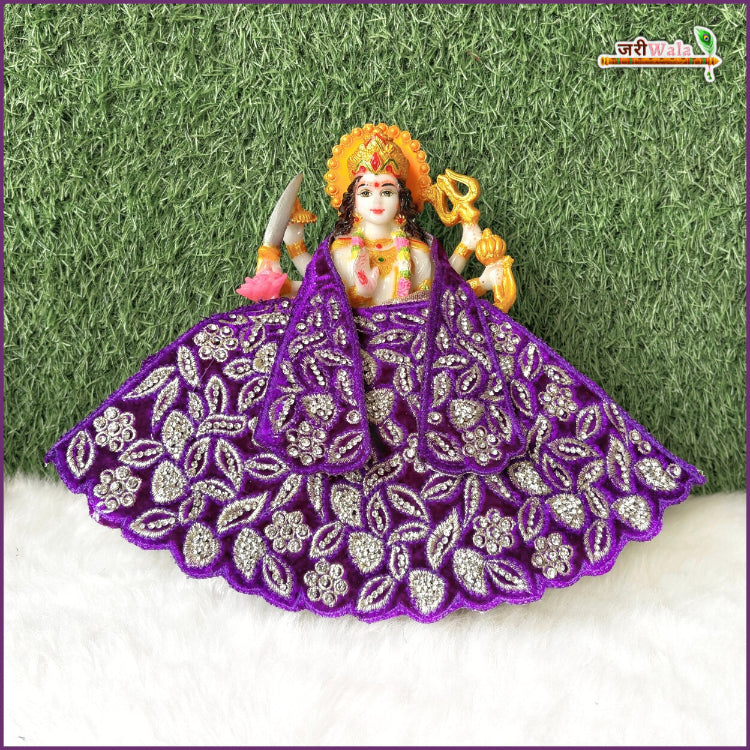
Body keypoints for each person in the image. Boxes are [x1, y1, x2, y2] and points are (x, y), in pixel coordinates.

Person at [45, 124, 703, 622]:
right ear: (351, 199)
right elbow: (308, 287)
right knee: (223, 353)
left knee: (518, 390)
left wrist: (474, 257)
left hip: (420, 354)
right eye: (368, 190)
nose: (379, 198)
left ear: (402, 198)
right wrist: (282, 254)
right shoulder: (336, 250)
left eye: (388, 189)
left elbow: (451, 296)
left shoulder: (420, 251)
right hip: (341, 352)